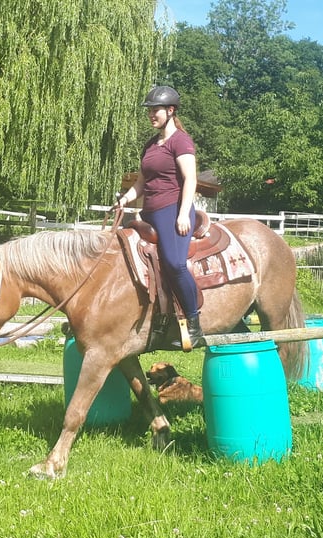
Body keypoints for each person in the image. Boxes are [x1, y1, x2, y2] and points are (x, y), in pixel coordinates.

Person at [114, 86, 204, 349]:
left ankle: (194, 324)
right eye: (150, 110)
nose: (151, 115)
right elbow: (141, 183)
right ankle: (153, 318)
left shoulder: (181, 141)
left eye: (156, 110)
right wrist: (125, 199)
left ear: (171, 111)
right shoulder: (151, 145)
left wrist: (183, 213)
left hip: (172, 210)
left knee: (175, 264)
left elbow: (190, 179)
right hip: (149, 211)